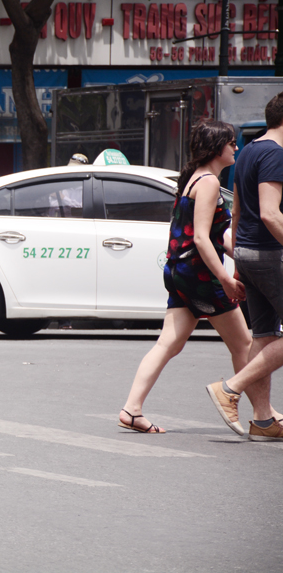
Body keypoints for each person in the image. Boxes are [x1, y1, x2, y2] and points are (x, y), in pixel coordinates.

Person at [118, 120, 252, 434]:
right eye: (231, 143)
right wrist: (226, 280)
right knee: (244, 343)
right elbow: (203, 240)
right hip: (200, 276)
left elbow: (211, 238)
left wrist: (240, 255)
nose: (236, 148)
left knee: (169, 343)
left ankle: (131, 409)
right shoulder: (208, 182)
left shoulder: (196, 178)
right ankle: (253, 408)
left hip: (180, 271)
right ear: (216, 148)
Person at [207, 92, 283, 441]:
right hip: (270, 253)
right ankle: (230, 388)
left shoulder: (250, 150)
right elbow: (270, 213)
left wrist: (238, 259)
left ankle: (263, 419)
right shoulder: (275, 154)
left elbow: (236, 210)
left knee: (265, 334)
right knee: (267, 334)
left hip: (248, 252)